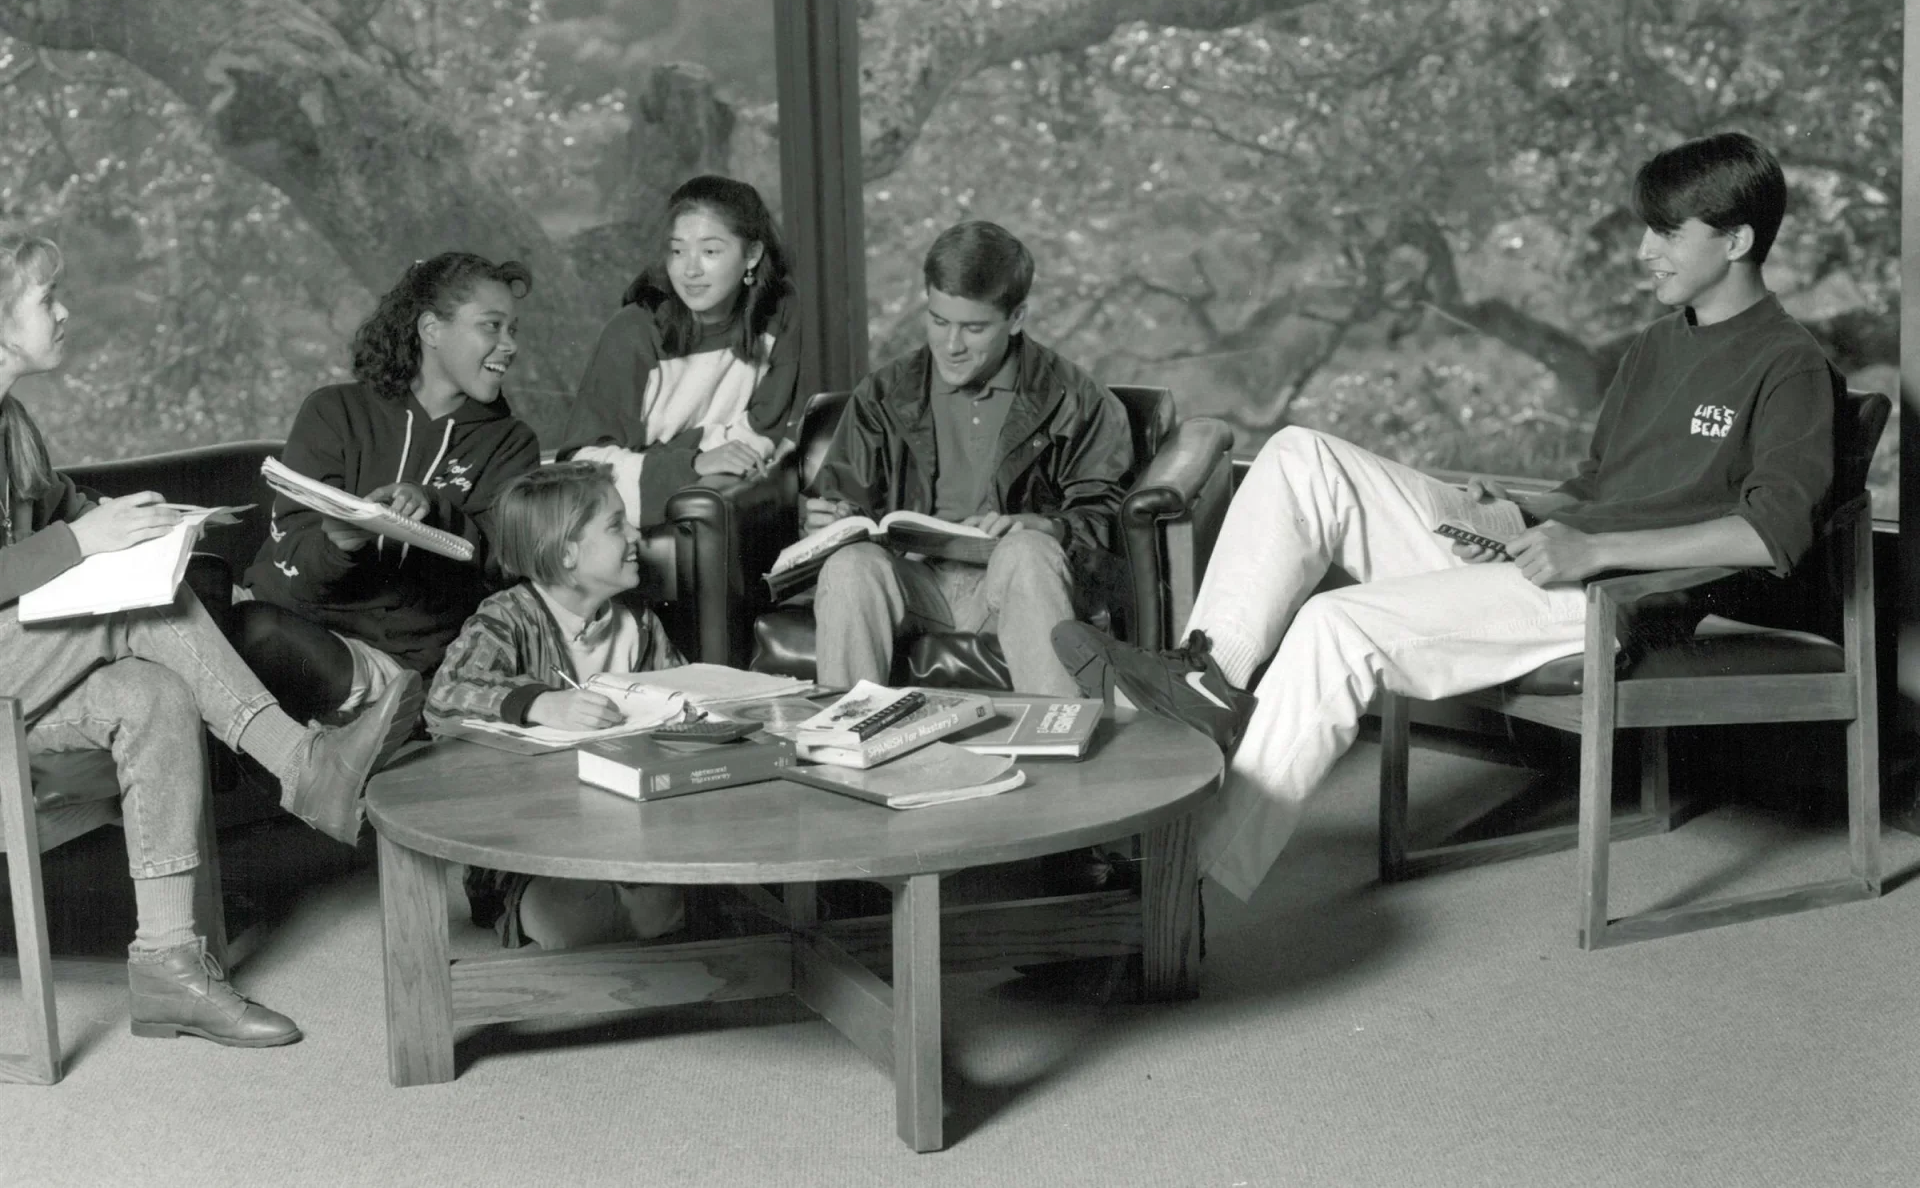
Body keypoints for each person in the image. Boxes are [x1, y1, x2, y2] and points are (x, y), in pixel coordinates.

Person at [1053, 132, 1844, 905]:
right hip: (1548, 553)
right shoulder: (1655, 346)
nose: (1645, 249)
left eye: (1668, 231)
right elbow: (1600, 483)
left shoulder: (1790, 363)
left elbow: (1769, 533)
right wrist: (1521, 512)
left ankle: (1181, 884)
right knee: (1300, 456)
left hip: (1625, 600)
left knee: (1338, 625)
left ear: (1737, 239)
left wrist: (1595, 548)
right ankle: (1209, 672)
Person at [0, 235, 423, 1047]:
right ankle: (304, 765)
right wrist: (87, 545)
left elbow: (58, 507)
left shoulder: (12, 423)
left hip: (21, 669)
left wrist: (144, 519)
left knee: (152, 692)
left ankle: (168, 967)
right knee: (141, 608)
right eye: (46, 296)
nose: (64, 310)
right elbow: (60, 546)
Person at [807, 220, 1133, 696]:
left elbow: (1108, 518)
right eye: (939, 321)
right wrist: (831, 518)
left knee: (1025, 551)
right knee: (849, 565)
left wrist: (1048, 527)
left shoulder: (1077, 399)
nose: (951, 345)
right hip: (914, 583)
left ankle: (1060, 741)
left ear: (1017, 318)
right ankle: (844, 749)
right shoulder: (882, 395)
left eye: (974, 328)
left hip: (1011, 588)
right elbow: (845, 499)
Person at [236, 253, 542, 720]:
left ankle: (355, 731)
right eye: (491, 326)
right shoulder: (333, 412)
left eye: (513, 330)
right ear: (432, 330)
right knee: (222, 607)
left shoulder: (511, 444)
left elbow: (500, 572)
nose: (509, 345)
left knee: (253, 632)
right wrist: (340, 544)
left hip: (396, 667)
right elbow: (291, 566)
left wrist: (433, 507)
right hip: (296, 626)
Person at [425, 461, 686, 947]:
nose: (636, 534)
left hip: (632, 824)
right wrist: (540, 703)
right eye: (616, 525)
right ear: (567, 553)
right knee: (567, 918)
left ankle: (639, 905)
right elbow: (443, 697)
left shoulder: (641, 625)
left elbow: (682, 702)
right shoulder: (507, 617)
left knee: (673, 895)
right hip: (528, 841)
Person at [559, 175, 802, 526]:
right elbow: (582, 468)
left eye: (710, 251)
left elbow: (764, 430)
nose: (689, 270)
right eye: (677, 251)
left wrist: (712, 457)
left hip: (726, 499)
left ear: (752, 254)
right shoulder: (633, 332)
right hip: (627, 521)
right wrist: (694, 463)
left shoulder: (781, 309)